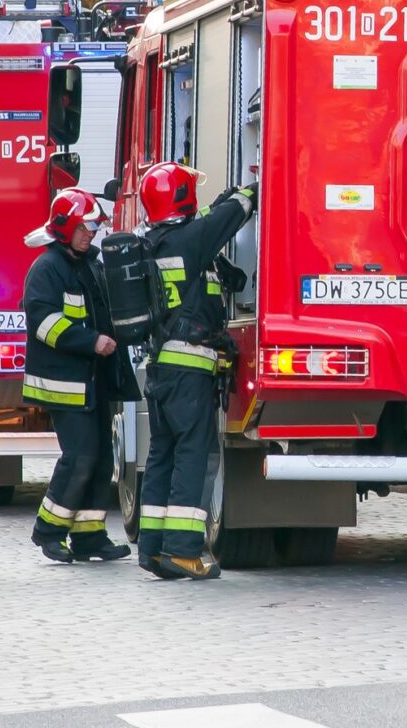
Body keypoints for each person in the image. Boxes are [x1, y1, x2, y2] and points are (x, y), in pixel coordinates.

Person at [134, 162, 256, 581]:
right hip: (190, 371)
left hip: (162, 369)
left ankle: (152, 549)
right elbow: (228, 215)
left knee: (162, 454)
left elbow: (208, 220)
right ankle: (183, 550)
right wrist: (255, 188)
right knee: (194, 454)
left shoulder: (155, 243)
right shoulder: (189, 240)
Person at [21, 187, 134, 564]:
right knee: (80, 456)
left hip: (93, 381)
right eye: (85, 227)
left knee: (102, 459)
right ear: (65, 226)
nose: (92, 234)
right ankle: (48, 531)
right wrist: (91, 341)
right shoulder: (47, 269)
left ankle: (90, 536)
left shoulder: (89, 264)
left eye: (94, 227)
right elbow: (45, 324)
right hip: (64, 384)